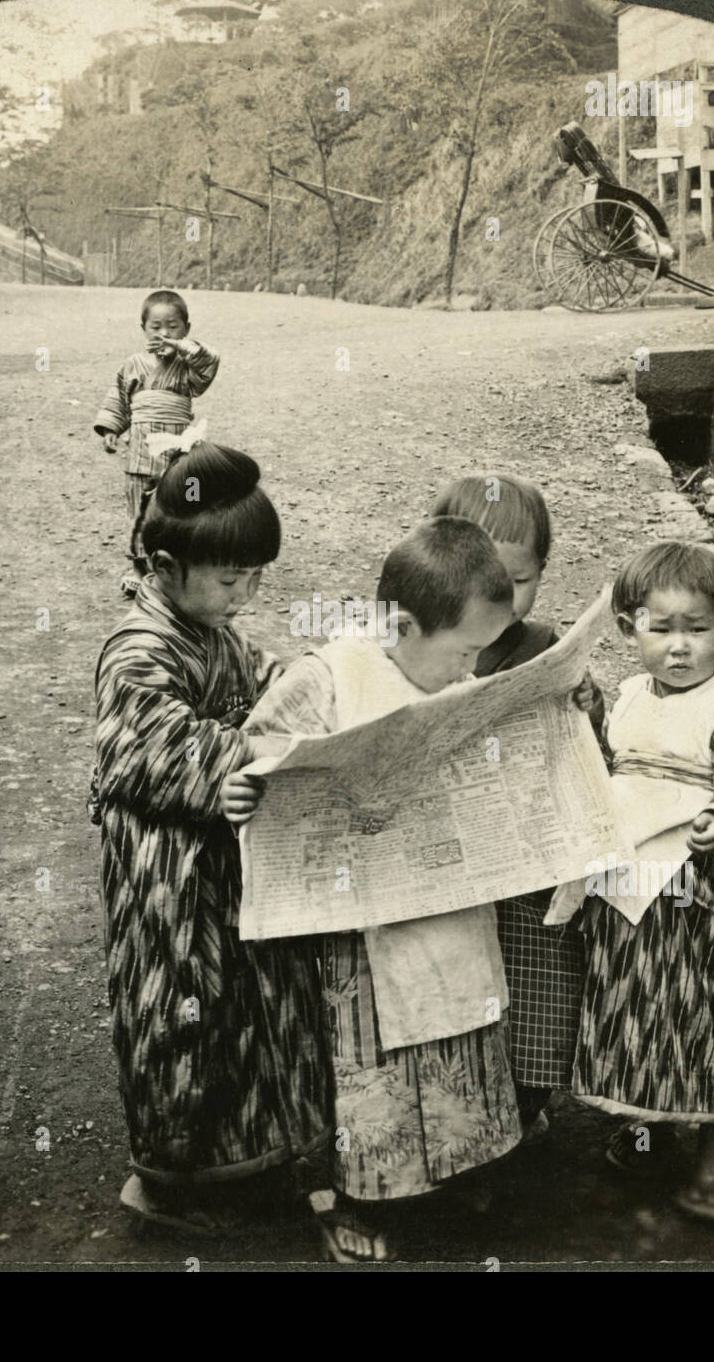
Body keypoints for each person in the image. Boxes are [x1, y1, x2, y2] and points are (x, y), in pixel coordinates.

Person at [232, 517, 528, 1264]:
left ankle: (457, 1166)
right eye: (462, 652)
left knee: (458, 1027)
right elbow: (262, 747)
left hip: (445, 900)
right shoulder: (331, 676)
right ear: (401, 624)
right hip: (357, 927)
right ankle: (357, 1194)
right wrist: (248, 786)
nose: (469, 671)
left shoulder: (454, 684)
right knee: (368, 1062)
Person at [92, 441, 332, 1237]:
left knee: (240, 1012)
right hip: (169, 879)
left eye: (254, 576)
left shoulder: (219, 633)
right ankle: (166, 1182)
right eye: (231, 578)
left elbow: (273, 682)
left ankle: (241, 1161)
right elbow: (150, 745)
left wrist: (323, 683)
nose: (244, 594)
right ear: (165, 564)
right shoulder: (139, 648)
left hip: (222, 868)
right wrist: (229, 762)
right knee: (179, 1016)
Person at [567, 541, 714, 1223]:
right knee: (633, 1012)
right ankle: (648, 1130)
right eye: (658, 628)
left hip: (693, 899)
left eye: (696, 629)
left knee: (697, 1016)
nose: (677, 647)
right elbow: (612, 762)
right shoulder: (633, 695)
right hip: (626, 895)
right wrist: (588, 716)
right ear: (626, 628)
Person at [431, 475, 604, 1137]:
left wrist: (590, 706)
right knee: (456, 986)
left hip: (526, 865)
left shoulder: (543, 648)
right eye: (485, 580)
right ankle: (465, 1098)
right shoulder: (423, 645)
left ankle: (529, 1098)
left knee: (537, 982)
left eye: (522, 580)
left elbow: (587, 753)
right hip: (452, 857)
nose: (504, 600)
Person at [92, 289, 220, 597]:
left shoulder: (189, 368)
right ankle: (141, 567)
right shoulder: (134, 364)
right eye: (156, 327)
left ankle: (181, 565)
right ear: (143, 329)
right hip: (140, 453)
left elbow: (209, 363)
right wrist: (112, 428)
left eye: (173, 327)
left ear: (186, 330)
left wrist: (181, 348)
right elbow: (121, 399)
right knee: (141, 512)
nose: (164, 333)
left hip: (178, 450)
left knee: (183, 507)